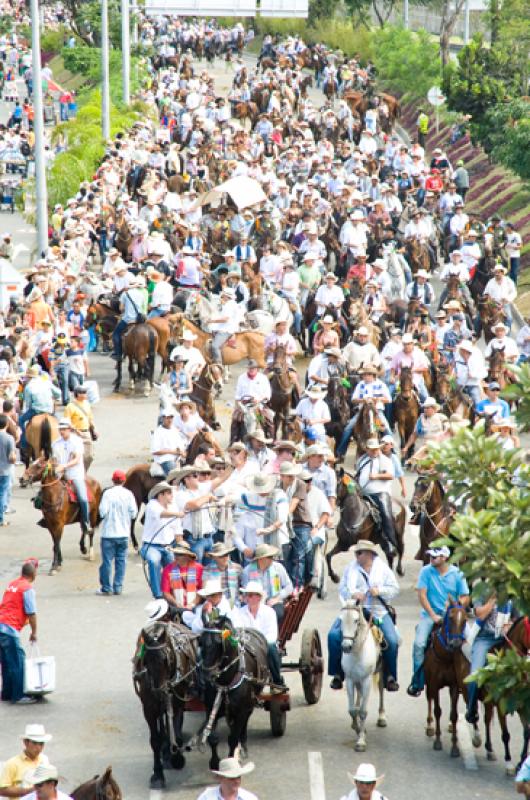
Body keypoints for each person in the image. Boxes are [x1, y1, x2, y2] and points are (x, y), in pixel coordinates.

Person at [328, 540, 400, 691]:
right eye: (356, 552)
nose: (356, 555)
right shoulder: (350, 569)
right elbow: (342, 589)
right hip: (354, 609)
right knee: (333, 636)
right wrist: (353, 594)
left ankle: (390, 676)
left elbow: (394, 589)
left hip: (377, 610)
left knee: (392, 641)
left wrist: (379, 591)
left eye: (359, 552)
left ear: (369, 554)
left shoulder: (383, 569)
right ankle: (337, 674)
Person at [407, 545, 469, 696]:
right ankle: (418, 681)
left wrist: (457, 605)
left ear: (444, 558)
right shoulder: (426, 571)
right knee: (419, 644)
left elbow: (465, 596)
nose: (431, 559)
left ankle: (468, 680)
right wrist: (433, 615)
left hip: (453, 616)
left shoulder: (457, 573)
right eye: (430, 556)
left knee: (469, 643)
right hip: (430, 615)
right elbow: (422, 595)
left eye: (435, 556)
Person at [465, 596, 514, 723]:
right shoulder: (482, 593)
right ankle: (471, 709)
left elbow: (516, 618)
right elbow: (480, 615)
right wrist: (492, 601)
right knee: (474, 677)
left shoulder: (510, 595)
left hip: (504, 638)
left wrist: (509, 625)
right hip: (484, 639)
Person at [229, 581, 284, 690]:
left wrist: (258, 645)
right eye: (246, 595)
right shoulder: (239, 613)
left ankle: (277, 681)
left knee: (272, 648)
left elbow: (272, 635)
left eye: (250, 595)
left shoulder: (269, 612)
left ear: (258, 597)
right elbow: (237, 631)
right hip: (246, 646)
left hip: (264, 646)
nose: (247, 598)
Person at [0, 560, 38, 705]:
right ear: (33, 574)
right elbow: (32, 612)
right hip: (9, 628)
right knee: (18, 661)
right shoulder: (27, 588)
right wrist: (34, 632)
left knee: (6, 661)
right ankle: (19, 694)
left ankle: (7, 693)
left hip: (1, 624)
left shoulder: (12, 584)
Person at [140, 481, 185, 599]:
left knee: (175, 567)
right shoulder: (152, 505)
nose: (172, 495)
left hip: (168, 546)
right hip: (151, 546)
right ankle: (158, 594)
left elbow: (177, 529)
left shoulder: (173, 507)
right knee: (154, 561)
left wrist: (181, 544)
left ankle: (176, 594)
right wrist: (177, 513)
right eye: (169, 493)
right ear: (161, 495)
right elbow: (162, 514)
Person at [97, 469, 137, 596]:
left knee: (107, 562)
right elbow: (134, 513)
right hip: (124, 534)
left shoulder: (107, 494)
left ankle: (106, 587)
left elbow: (102, 512)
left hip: (108, 534)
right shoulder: (129, 494)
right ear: (124, 481)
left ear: (113, 481)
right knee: (121, 561)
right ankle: (118, 587)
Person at [356, 439, 397, 559]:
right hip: (363, 492)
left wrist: (376, 476)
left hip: (380, 492)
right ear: (367, 449)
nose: (374, 451)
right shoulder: (363, 459)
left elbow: (390, 475)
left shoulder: (384, 460)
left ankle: (390, 541)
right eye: (372, 449)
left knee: (385, 513)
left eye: (376, 449)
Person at [51, 419, 91, 534]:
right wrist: (55, 466)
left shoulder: (77, 441)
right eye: (60, 430)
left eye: (64, 429)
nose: (61, 432)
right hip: (60, 475)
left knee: (83, 498)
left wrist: (64, 466)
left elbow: (77, 460)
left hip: (75, 474)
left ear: (69, 429)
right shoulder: (55, 443)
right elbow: (54, 459)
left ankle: (86, 523)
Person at [242, 543, 293, 623]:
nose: (272, 559)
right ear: (261, 559)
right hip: (254, 602)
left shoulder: (278, 567)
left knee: (278, 614)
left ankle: (274, 634)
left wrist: (277, 598)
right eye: (269, 557)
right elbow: (245, 592)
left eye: (272, 556)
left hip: (274, 600)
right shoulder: (247, 571)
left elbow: (289, 586)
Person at [0, 724, 52, 798]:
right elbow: (2, 790)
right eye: (35, 743)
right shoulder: (12, 763)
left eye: (41, 744)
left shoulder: (44, 760)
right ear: (26, 742)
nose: (38, 748)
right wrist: (29, 791)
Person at [161, 541, 204, 610]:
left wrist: (193, 604)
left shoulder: (199, 568)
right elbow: (166, 593)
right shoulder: (167, 569)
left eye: (180, 554)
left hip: (195, 607)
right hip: (176, 608)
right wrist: (176, 604)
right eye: (175, 553)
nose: (176, 556)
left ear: (187, 556)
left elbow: (202, 590)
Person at [64, 384, 97, 472]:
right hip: (75, 434)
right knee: (75, 455)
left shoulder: (87, 404)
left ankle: (84, 471)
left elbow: (90, 418)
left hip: (86, 433)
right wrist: (75, 430)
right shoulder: (70, 407)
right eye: (84, 393)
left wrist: (94, 429)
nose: (86, 395)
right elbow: (67, 422)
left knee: (89, 456)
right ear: (78, 394)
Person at [203, 542, 242, 606]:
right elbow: (204, 591)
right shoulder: (207, 570)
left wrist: (241, 596)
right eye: (221, 556)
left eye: (226, 554)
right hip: (215, 605)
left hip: (235, 604)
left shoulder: (237, 568)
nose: (225, 558)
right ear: (214, 557)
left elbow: (243, 586)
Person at [208, 287, 239, 364]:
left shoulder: (229, 305)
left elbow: (225, 319)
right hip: (225, 327)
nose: (222, 296)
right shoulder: (230, 304)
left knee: (214, 346)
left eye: (223, 295)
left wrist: (212, 321)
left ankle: (218, 364)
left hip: (226, 329)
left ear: (226, 296)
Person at [151, 409, 186, 476]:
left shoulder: (175, 430)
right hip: (165, 460)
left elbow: (180, 446)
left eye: (171, 417)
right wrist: (172, 452)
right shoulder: (158, 432)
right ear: (163, 418)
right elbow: (155, 451)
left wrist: (182, 452)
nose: (170, 420)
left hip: (177, 458)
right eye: (167, 418)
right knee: (175, 475)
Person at [0, 413, 15, 527]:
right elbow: (12, 457)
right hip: (4, 470)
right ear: (6, 424)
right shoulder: (9, 438)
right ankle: (0, 519)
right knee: (2, 494)